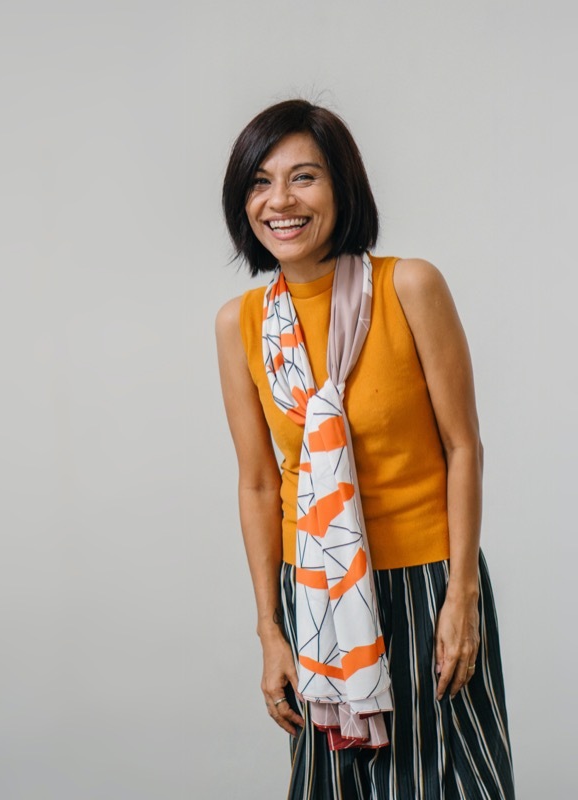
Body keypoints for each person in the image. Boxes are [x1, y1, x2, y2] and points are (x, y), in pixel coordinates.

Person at [215, 99, 515, 799]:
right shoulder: (241, 325)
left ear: (343, 186)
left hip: (426, 585)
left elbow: (462, 447)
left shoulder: (409, 286)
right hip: (314, 595)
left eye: (304, 177)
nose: (280, 201)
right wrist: (269, 631)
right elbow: (259, 483)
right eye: (260, 182)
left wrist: (462, 595)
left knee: (448, 782)